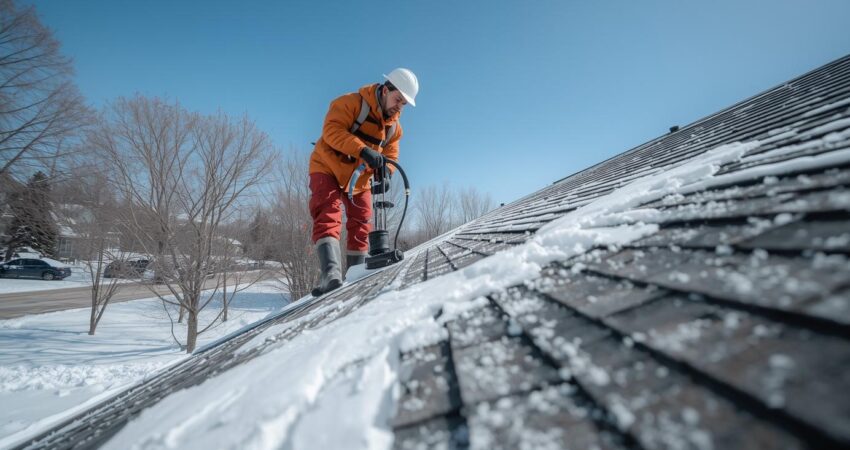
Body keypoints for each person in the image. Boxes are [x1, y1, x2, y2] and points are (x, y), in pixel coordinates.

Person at [308, 68, 419, 296]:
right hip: (326, 166)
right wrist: (363, 150)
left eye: (404, 104)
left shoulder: (394, 129)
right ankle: (330, 274)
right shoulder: (350, 103)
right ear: (386, 89)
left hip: (358, 178)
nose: (399, 106)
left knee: (361, 220)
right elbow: (331, 131)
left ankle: (354, 274)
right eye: (398, 99)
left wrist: (386, 172)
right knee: (328, 212)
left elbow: (391, 154)